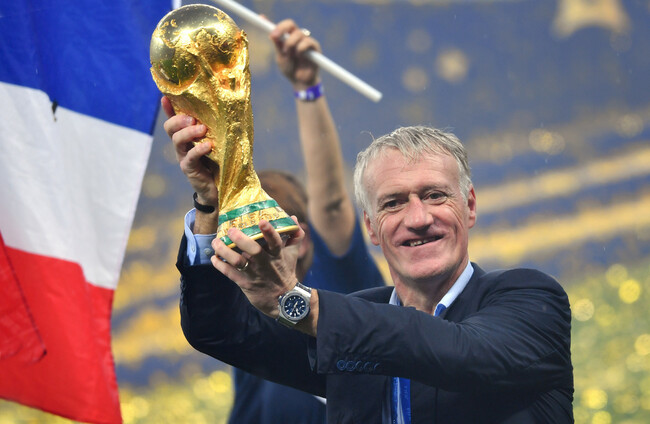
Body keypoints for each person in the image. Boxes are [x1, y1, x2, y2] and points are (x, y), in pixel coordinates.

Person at [178, 123, 575, 422]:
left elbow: (463, 353)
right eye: (393, 203)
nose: (418, 218)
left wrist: (297, 302)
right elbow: (220, 331)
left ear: (469, 206)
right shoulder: (349, 322)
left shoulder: (532, 299)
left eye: (435, 195)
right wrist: (210, 204)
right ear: (370, 227)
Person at [164, 20, 384, 424]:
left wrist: (307, 88)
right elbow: (207, 325)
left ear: (306, 235)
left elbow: (332, 201)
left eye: (276, 220)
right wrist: (210, 201)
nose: (260, 236)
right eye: (244, 224)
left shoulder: (342, 282)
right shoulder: (240, 309)